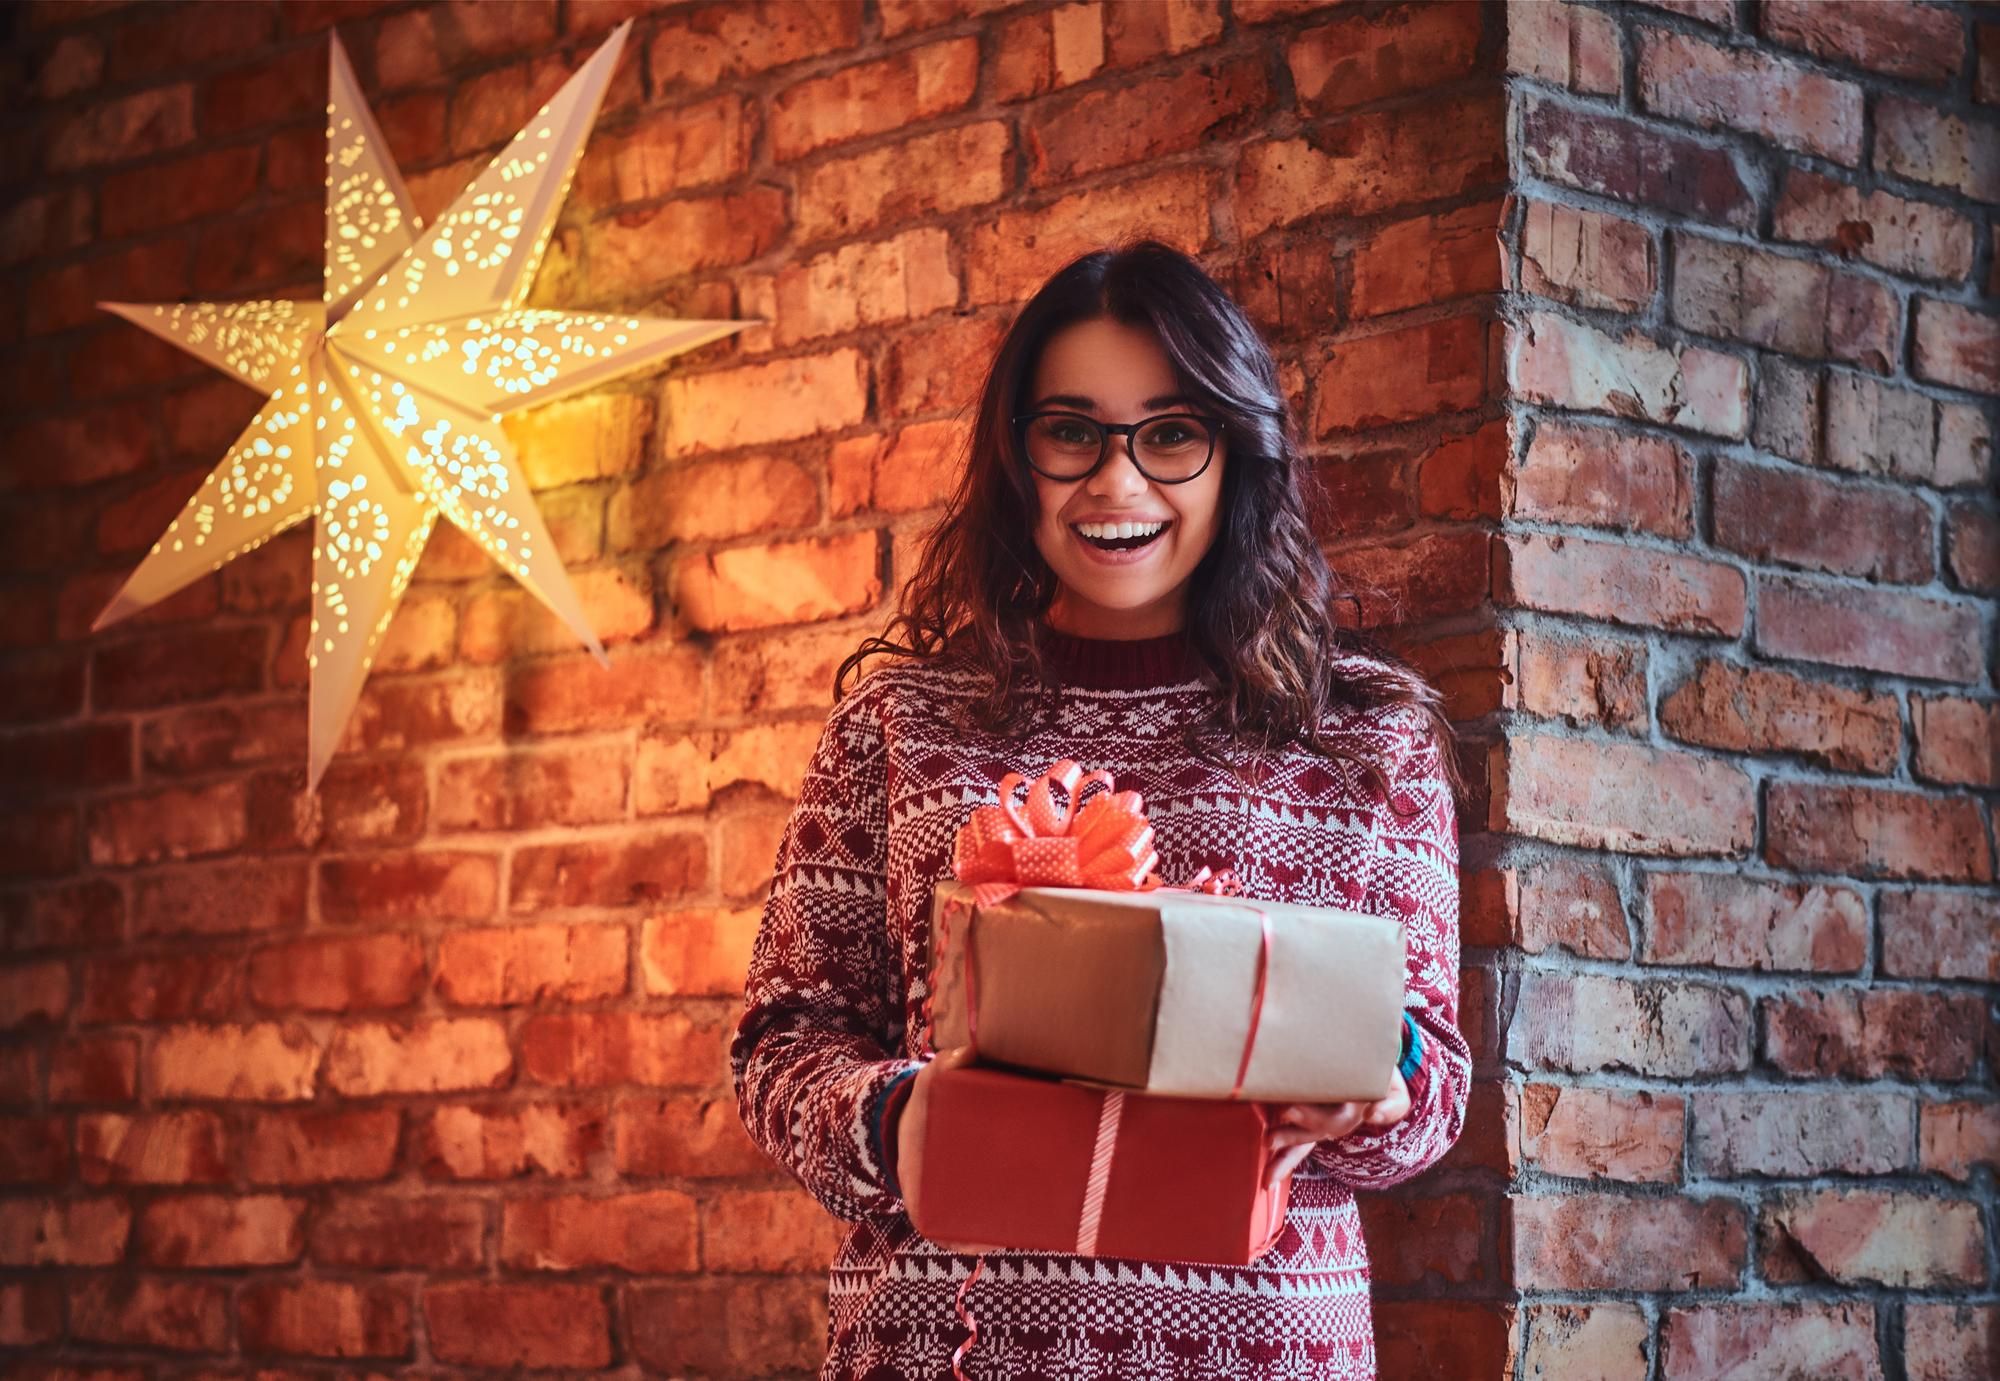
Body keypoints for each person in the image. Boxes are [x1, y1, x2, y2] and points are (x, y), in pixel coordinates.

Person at [730, 239, 1468, 1380]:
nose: (1116, 484)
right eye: (1070, 432)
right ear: (1015, 458)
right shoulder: (899, 725)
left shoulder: (1368, 734)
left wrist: (1374, 1082)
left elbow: (1435, 1086)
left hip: (1262, 1359)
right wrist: (897, 1121)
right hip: (942, 1352)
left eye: (1169, 434)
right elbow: (780, 1044)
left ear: (1234, 455)